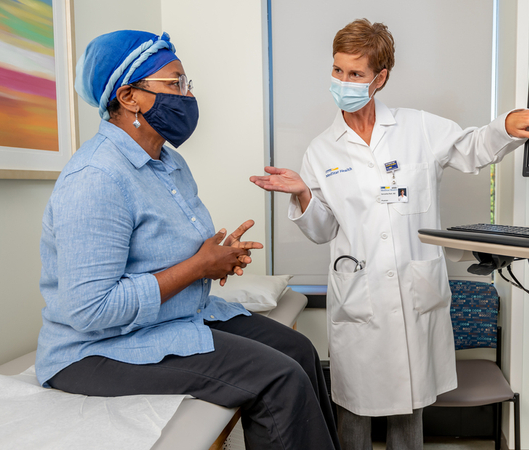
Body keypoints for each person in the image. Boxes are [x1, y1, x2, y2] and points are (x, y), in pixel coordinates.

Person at [249, 19, 529, 449]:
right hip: (360, 301)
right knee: (354, 415)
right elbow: (322, 230)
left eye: (356, 74)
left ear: (379, 78)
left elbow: (470, 147)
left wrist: (507, 124)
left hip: (413, 294)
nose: (343, 82)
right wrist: (305, 193)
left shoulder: (417, 128)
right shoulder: (322, 149)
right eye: (338, 70)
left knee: (409, 411)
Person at [36, 30, 339, 450]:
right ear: (129, 97)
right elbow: (90, 310)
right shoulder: (96, 178)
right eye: (174, 84)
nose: (187, 94)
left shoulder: (168, 162)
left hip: (169, 318)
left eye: (186, 84)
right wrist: (199, 267)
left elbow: (173, 254)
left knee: (300, 351)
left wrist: (218, 258)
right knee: (278, 378)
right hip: (94, 350)